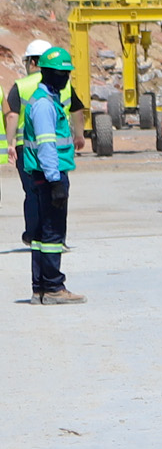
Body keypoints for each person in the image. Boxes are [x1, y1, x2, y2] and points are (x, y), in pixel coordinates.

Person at [15, 44, 81, 303]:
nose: (65, 78)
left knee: (42, 234)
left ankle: (40, 287)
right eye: (61, 73)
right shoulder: (43, 104)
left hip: (42, 175)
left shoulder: (48, 99)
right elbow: (46, 145)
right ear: (48, 73)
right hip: (49, 175)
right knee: (53, 234)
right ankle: (53, 287)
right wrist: (55, 181)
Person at [9, 36, 53, 246]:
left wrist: (9, 143)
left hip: (25, 148)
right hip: (55, 147)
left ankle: (34, 234)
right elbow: (77, 110)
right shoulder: (61, 84)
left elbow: (12, 116)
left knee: (33, 191)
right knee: (55, 189)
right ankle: (54, 234)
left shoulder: (20, 86)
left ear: (33, 63)